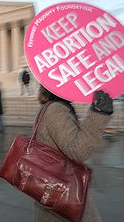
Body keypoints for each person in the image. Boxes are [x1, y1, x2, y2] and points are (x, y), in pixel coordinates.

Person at [34, 85, 113, 222]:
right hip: (64, 195)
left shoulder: (50, 107)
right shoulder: (55, 110)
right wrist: (99, 114)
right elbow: (77, 150)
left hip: (55, 191)